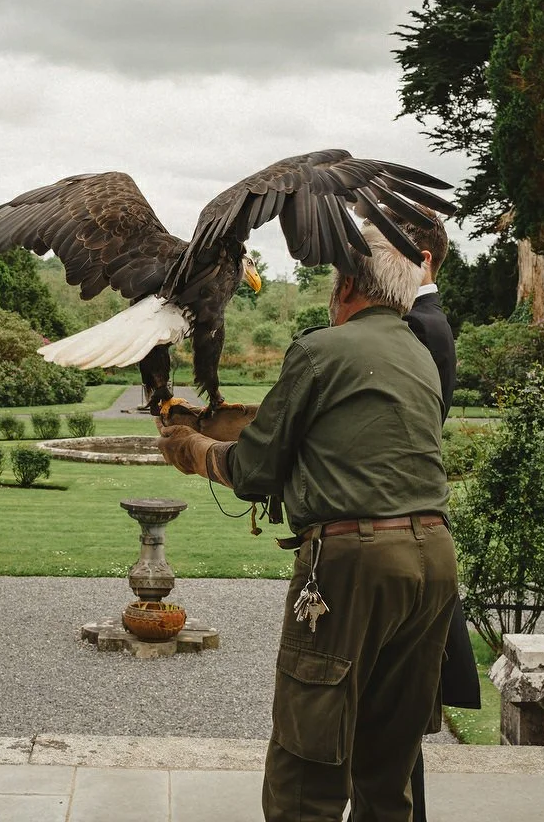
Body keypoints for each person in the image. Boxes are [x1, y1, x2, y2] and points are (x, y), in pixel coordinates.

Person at [156, 224, 458, 822]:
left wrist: (191, 449)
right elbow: (343, 442)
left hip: (354, 565)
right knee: (387, 768)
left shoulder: (321, 348)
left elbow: (257, 468)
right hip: (434, 561)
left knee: (307, 767)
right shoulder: (417, 353)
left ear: (347, 283)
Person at [396, 212, 481, 822]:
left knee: (396, 721)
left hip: (401, 527)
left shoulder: (420, 328)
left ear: (423, 260)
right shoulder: (420, 323)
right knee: (394, 725)